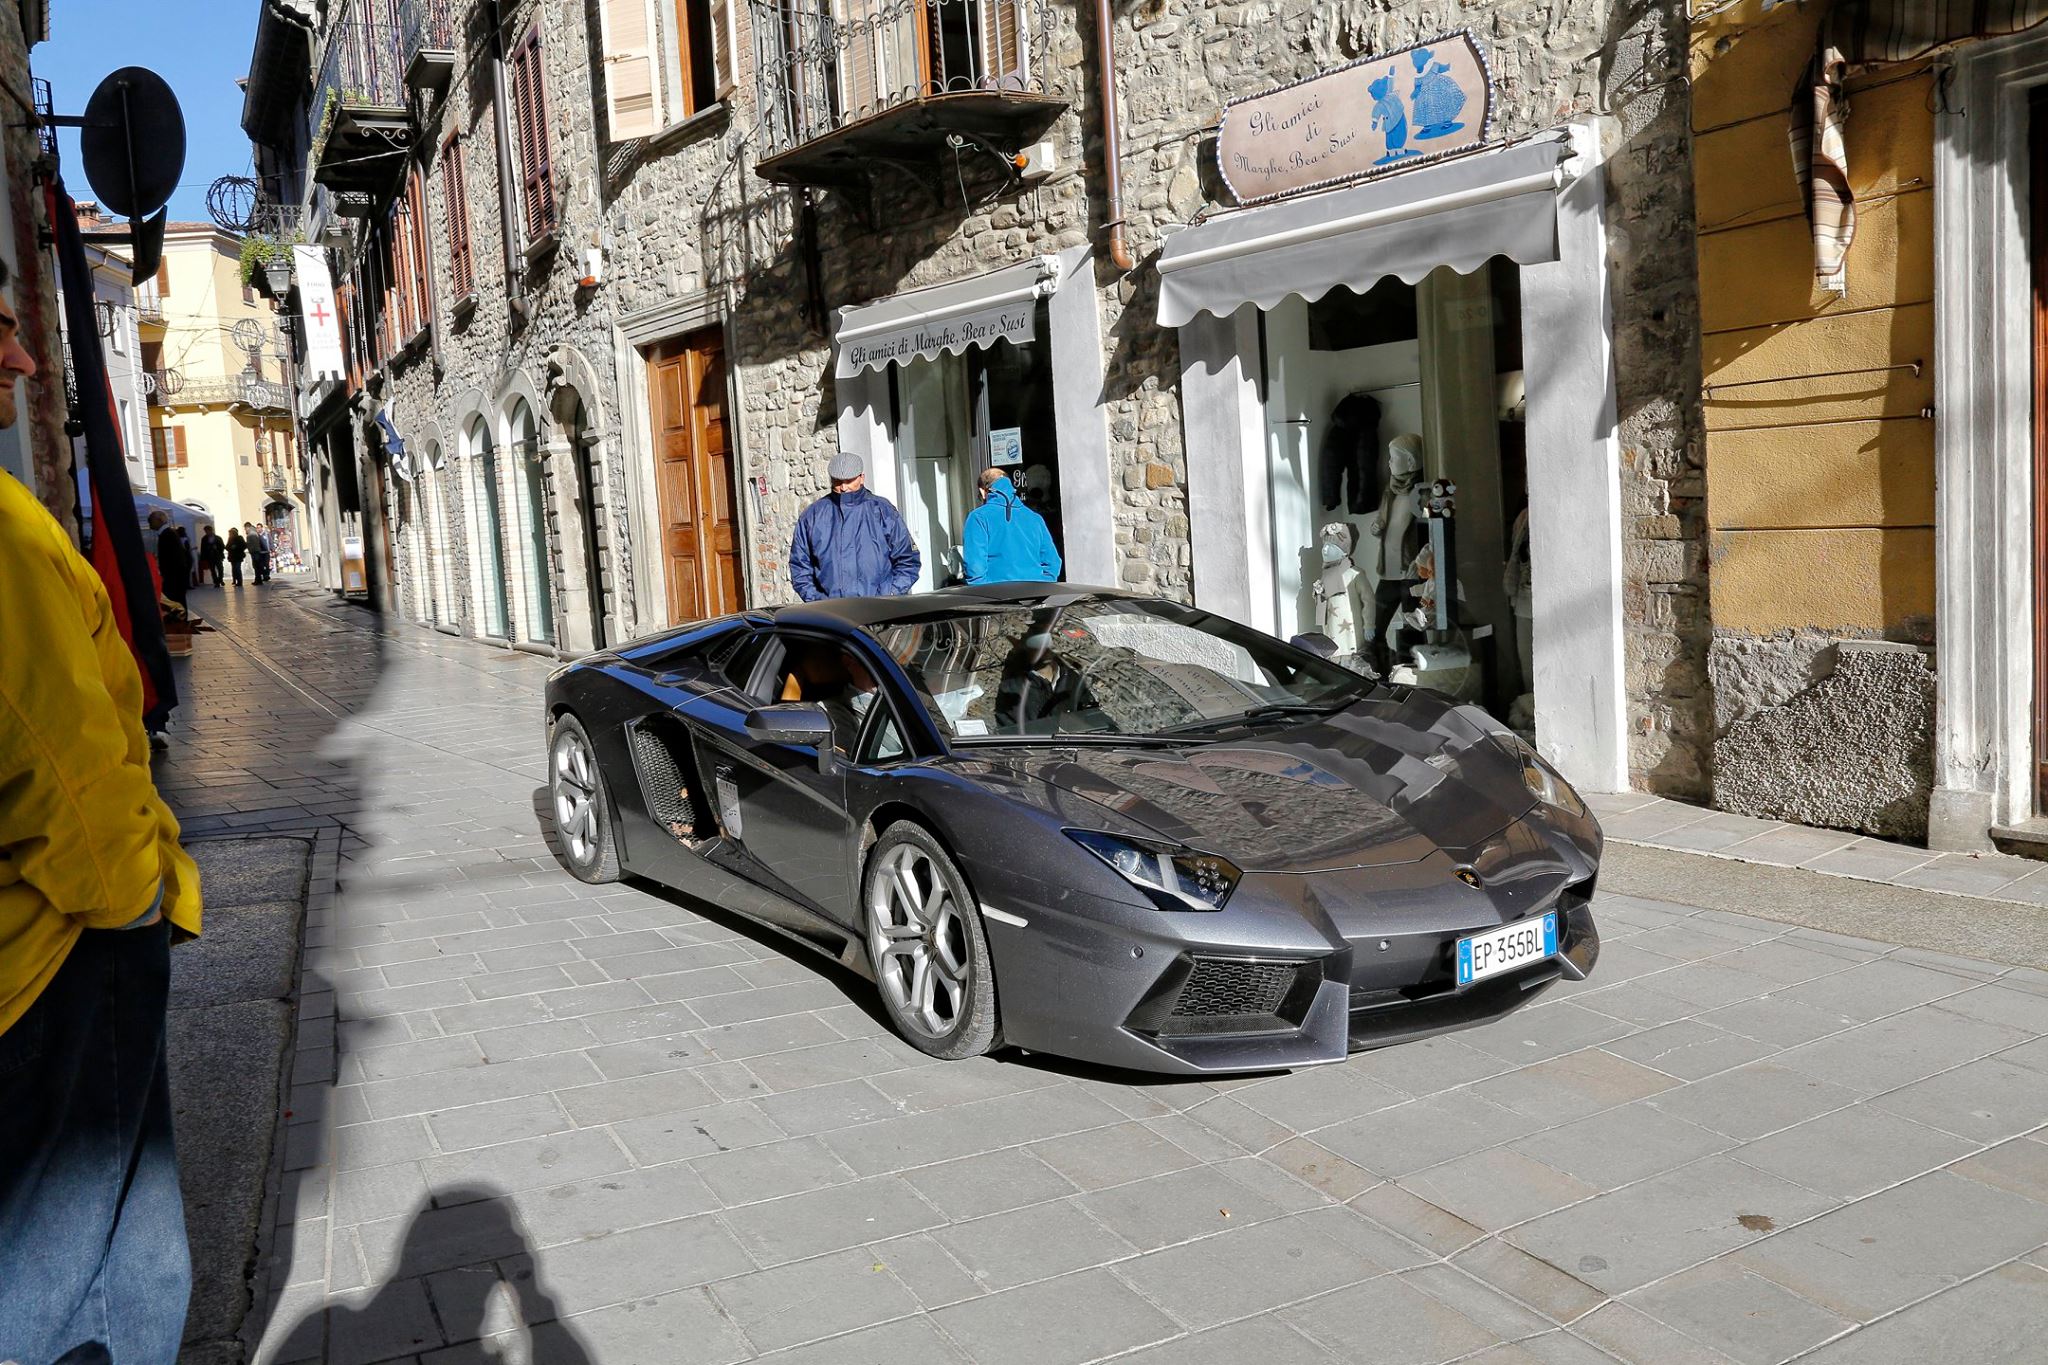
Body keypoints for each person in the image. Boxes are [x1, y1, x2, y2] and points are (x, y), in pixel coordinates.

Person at [0, 254, 201, 1365]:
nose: (22, 355)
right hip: (55, 947)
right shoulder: (2, 534)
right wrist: (134, 907)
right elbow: (60, 761)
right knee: (98, 1260)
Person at [788, 452, 920, 601]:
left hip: (880, 613)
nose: (844, 487)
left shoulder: (883, 510)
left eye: (849, 481)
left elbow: (908, 561)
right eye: (838, 481)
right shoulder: (812, 515)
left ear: (861, 478)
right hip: (831, 614)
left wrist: (889, 595)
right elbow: (800, 566)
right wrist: (818, 602)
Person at [962, 467, 1061, 585]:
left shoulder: (978, 517)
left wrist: (985, 594)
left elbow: (975, 567)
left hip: (997, 597)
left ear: (983, 492)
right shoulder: (1035, 518)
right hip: (1034, 596)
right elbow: (1053, 562)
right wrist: (1042, 585)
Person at [151, 511, 191, 614]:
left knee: (176, 599)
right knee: (177, 599)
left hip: (174, 576)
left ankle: (181, 622)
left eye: (151, 521)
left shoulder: (168, 534)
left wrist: (167, 574)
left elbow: (175, 558)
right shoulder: (168, 533)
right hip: (175, 575)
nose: (150, 524)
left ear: (159, 520)